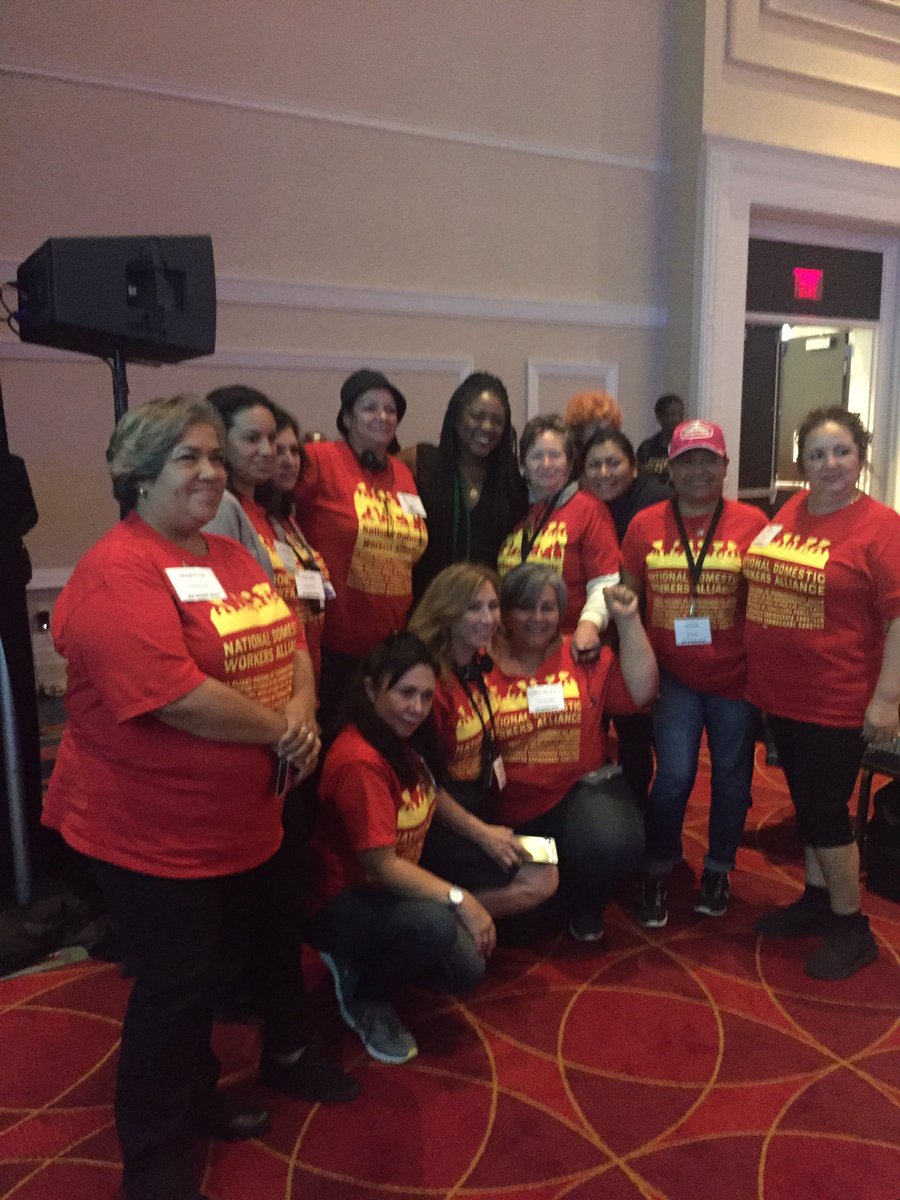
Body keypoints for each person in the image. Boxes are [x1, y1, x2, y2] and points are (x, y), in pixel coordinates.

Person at [41, 395, 357, 1200]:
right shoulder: (117, 571)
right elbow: (173, 695)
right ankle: (153, 1154)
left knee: (208, 977)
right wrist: (281, 732)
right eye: (190, 457)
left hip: (237, 825)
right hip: (149, 834)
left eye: (216, 456)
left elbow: (291, 638)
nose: (212, 471)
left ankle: (195, 1098)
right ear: (138, 474)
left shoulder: (229, 555)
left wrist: (302, 710)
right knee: (173, 988)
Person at [744, 406, 900, 980]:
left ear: (860, 456)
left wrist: (887, 699)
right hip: (782, 692)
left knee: (825, 811)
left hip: (837, 696)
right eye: (817, 454)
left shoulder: (882, 527)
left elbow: (899, 618)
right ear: (801, 462)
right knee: (807, 804)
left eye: (841, 452)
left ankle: (852, 927)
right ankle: (816, 898)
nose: (829, 463)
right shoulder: (790, 510)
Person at [308, 633, 495, 1065]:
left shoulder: (405, 738)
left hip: (387, 889)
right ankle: (363, 993)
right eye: (405, 693)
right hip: (343, 899)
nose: (417, 707)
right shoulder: (359, 760)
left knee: (466, 968)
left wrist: (484, 834)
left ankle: (380, 955)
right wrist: (461, 899)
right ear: (372, 689)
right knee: (437, 927)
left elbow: (429, 794)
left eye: (426, 696)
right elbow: (381, 866)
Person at [622, 419, 768, 929]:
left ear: (725, 466)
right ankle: (659, 865)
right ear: (671, 468)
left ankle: (719, 869)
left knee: (732, 777)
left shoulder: (753, 523)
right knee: (675, 774)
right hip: (673, 676)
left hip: (735, 677)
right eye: (688, 461)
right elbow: (628, 599)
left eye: (709, 460)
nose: (699, 470)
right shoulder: (645, 525)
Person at [488, 563, 656, 942]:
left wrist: (628, 621)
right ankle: (553, 887)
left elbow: (643, 691)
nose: (537, 618)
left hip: (575, 798)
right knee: (528, 924)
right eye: (525, 607)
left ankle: (584, 905)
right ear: (505, 612)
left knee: (614, 842)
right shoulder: (481, 661)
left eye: (547, 608)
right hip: (506, 812)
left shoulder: (582, 654)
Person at [408, 564, 559, 920]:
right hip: (440, 819)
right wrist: (482, 835)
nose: (488, 618)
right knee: (542, 878)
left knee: (550, 868)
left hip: (478, 802)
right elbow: (422, 784)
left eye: (492, 607)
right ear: (448, 612)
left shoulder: (476, 661)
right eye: (473, 608)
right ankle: (449, 917)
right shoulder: (429, 681)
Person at [294, 369, 428, 730]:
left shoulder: (403, 474)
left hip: (389, 648)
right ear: (348, 417)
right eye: (370, 408)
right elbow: (275, 506)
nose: (382, 416)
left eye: (390, 410)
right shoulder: (320, 460)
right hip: (334, 646)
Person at [580, 427, 670, 808]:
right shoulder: (579, 506)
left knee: (635, 736)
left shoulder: (655, 503)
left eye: (613, 463)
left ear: (633, 467)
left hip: (637, 638)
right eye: (594, 465)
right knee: (587, 733)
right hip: (592, 638)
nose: (604, 473)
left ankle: (635, 813)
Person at [497, 414, 620, 660]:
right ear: (523, 463)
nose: (546, 464)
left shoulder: (589, 510)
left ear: (569, 461)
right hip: (513, 645)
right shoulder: (510, 509)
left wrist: (590, 625)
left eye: (554, 455)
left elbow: (605, 582)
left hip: (569, 646)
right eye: (536, 456)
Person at [400, 372, 528, 599]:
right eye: (477, 416)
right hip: (427, 610)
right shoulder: (420, 463)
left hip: (486, 613)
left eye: (497, 421)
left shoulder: (512, 483)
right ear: (457, 416)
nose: (487, 426)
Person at [270, 405, 333, 687]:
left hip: (308, 672)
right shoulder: (244, 518)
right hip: (275, 678)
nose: (289, 461)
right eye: (278, 451)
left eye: (294, 451)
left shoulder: (287, 518)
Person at [563, 388, 623, 476]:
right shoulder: (566, 467)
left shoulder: (621, 462)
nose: (604, 435)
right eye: (597, 429)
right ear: (579, 430)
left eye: (609, 428)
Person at [636, 393, 685, 485]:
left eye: (680, 414)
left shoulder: (686, 447)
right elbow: (638, 477)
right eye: (672, 415)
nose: (677, 419)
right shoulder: (647, 448)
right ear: (659, 417)